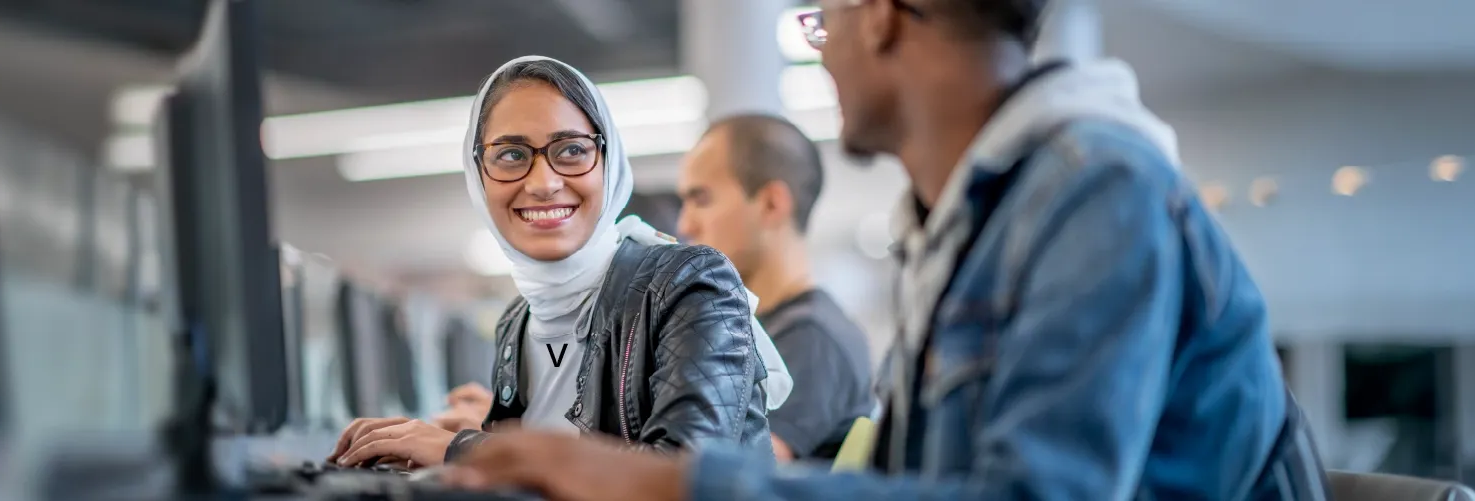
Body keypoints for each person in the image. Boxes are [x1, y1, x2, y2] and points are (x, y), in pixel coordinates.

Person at [440, 1, 1330, 500]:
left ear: (881, 18)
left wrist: (664, 486)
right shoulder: (962, 223)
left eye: (819, 23)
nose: (821, 57)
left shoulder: (1097, 189)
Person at [326, 56, 795, 469]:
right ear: (478, 175)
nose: (544, 182)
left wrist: (462, 449)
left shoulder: (689, 282)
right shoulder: (519, 319)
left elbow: (682, 475)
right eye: (511, 155)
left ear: (607, 162)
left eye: (571, 150)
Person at [675, 114, 875, 462]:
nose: (685, 224)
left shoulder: (810, 337)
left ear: (771, 203)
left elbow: (734, 478)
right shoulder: (761, 330)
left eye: (702, 199)